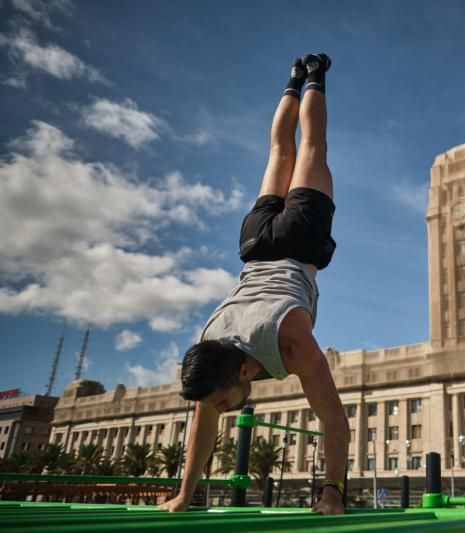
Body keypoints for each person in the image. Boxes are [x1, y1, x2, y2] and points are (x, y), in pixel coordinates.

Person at [159, 53, 348, 515]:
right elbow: (202, 426)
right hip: (253, 243)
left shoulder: (290, 343)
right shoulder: (210, 353)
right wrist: (184, 496)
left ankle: (316, 74)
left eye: (223, 404)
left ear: (244, 373)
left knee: (311, 149)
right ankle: (292, 79)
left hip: (298, 240)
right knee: (280, 153)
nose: (222, 411)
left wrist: (333, 494)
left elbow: (334, 420)